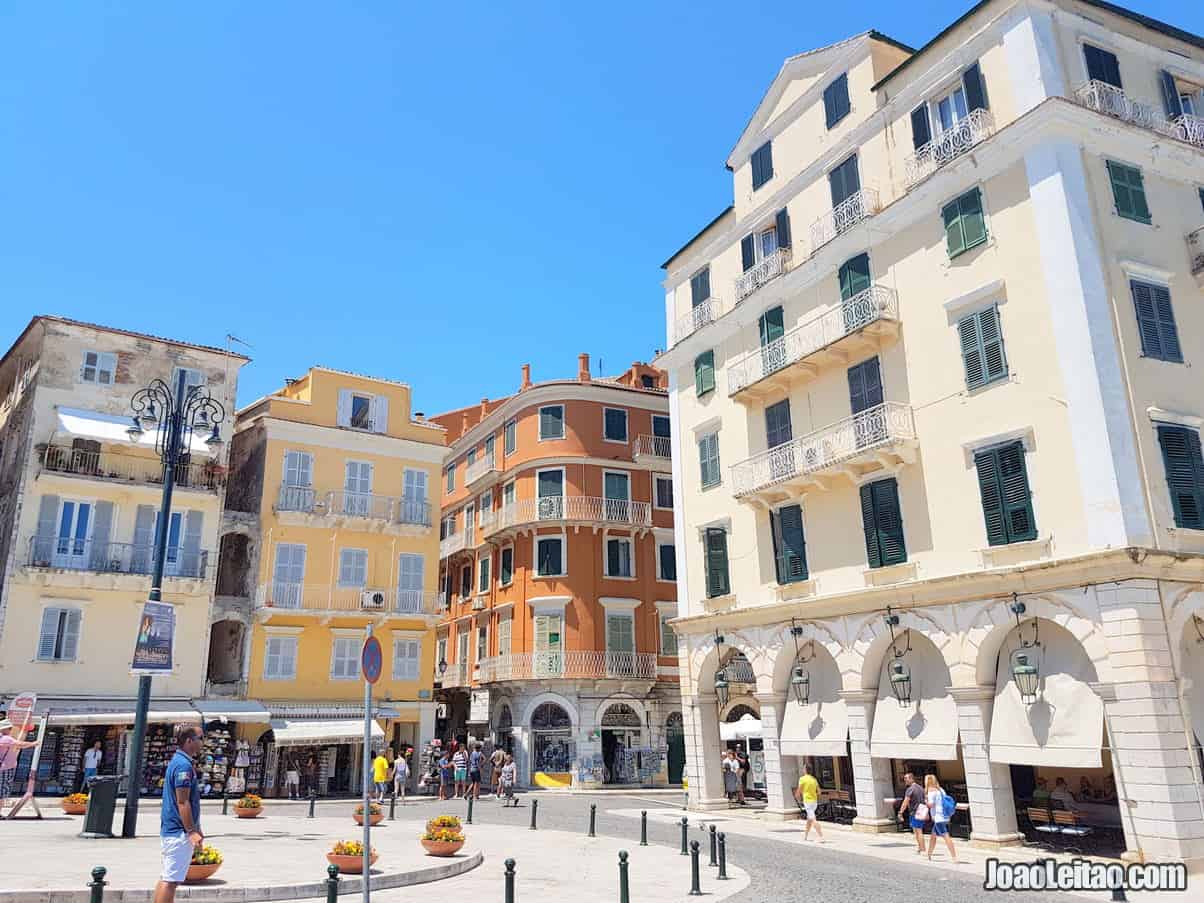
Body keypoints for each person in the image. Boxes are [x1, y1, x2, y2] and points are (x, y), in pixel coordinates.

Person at [155, 726, 204, 903]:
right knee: (171, 881)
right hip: (178, 832)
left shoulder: (179, 761)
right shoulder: (183, 765)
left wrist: (197, 827)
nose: (202, 742)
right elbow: (182, 801)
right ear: (189, 741)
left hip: (174, 830)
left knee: (167, 877)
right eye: (200, 738)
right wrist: (191, 831)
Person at [0, 719, 39, 813]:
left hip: (5, 767)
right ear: (7, 729)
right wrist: (34, 743)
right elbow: (20, 744)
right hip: (5, 768)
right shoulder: (6, 738)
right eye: (10, 729)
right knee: (2, 791)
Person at [923, 774, 958, 864]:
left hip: (938, 817)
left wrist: (926, 801)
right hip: (944, 815)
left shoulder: (931, 791)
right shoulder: (941, 790)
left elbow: (931, 805)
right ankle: (929, 854)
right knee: (933, 836)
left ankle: (954, 857)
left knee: (946, 836)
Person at [896, 771, 927, 854]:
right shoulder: (921, 788)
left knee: (917, 831)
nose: (905, 780)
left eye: (906, 778)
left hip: (914, 812)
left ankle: (922, 848)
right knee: (918, 830)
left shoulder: (910, 789)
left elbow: (906, 801)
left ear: (911, 778)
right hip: (922, 810)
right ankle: (920, 847)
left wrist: (900, 812)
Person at [794, 763, 825, 842]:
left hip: (807, 801)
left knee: (813, 819)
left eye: (803, 768)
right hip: (814, 802)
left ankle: (821, 836)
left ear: (805, 770)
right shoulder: (814, 779)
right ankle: (805, 836)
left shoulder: (802, 779)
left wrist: (797, 795)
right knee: (809, 819)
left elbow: (799, 790)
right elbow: (819, 792)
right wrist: (813, 793)